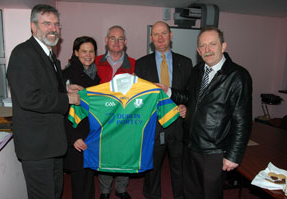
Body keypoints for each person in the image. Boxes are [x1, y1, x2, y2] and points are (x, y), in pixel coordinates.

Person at [159, 26, 252, 199]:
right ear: (198, 50)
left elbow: (242, 120)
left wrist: (234, 155)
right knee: (191, 192)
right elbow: (190, 97)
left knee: (210, 195)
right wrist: (169, 91)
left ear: (223, 46)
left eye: (212, 44)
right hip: (190, 146)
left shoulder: (238, 76)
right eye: (203, 46)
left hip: (214, 152)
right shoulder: (197, 70)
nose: (207, 50)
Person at [6, 4, 82, 199]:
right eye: (47, 23)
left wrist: (65, 89)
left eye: (56, 24)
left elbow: (43, 88)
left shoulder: (49, 55)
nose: (53, 28)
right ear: (33, 26)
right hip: (37, 147)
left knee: (55, 193)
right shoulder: (23, 54)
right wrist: (67, 98)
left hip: (53, 144)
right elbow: (29, 98)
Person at [135, 21, 193, 199]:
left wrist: (186, 106)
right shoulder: (141, 64)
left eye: (164, 33)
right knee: (152, 168)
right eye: (156, 34)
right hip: (154, 125)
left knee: (179, 168)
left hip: (178, 125)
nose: (160, 38)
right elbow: (140, 99)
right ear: (151, 38)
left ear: (171, 36)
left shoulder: (186, 62)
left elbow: (191, 95)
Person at [95, 25, 135, 199]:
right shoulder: (94, 62)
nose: (116, 42)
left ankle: (121, 188)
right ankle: (104, 190)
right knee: (104, 153)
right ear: (106, 40)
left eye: (120, 39)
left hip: (125, 119)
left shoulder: (135, 64)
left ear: (125, 42)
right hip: (101, 119)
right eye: (112, 38)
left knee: (123, 153)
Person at [63, 36, 101, 199]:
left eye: (91, 51)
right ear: (76, 53)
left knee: (88, 178)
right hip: (76, 136)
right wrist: (73, 138)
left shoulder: (95, 76)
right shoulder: (67, 76)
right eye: (84, 51)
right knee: (79, 181)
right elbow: (62, 111)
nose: (88, 55)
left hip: (90, 134)